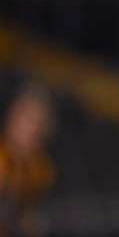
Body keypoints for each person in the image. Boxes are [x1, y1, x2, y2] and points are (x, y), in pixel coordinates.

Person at [0, 84, 55, 237]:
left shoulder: (40, 170)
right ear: (12, 118)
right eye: (27, 120)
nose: (31, 130)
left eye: (38, 124)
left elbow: (26, 217)